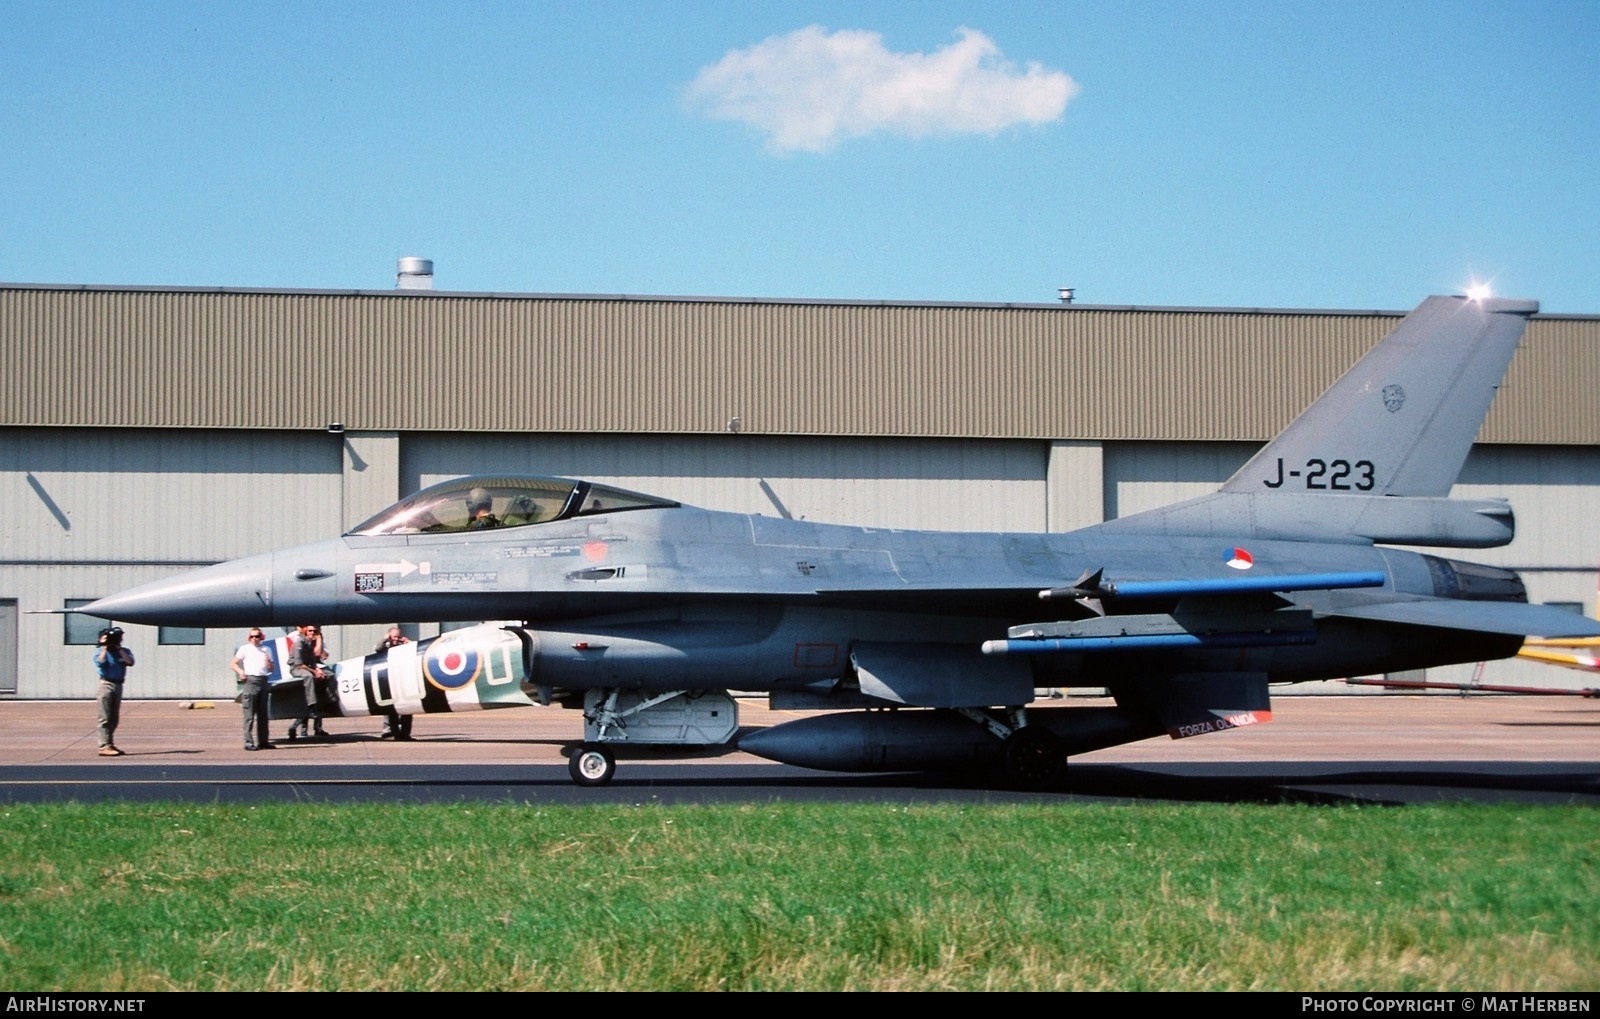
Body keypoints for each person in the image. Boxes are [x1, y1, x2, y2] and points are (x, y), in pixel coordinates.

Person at [230, 627, 276, 751]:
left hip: (264, 680)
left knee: (263, 714)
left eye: (257, 636)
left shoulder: (267, 649)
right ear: (249, 638)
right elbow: (233, 663)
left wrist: (268, 662)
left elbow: (271, 669)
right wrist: (241, 672)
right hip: (251, 680)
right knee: (249, 714)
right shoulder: (244, 649)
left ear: (261, 637)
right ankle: (248, 741)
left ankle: (263, 741)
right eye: (252, 636)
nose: (255, 639)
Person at [93, 626, 135, 756]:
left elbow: (130, 662)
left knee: (114, 718)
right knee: (104, 717)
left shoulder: (124, 651)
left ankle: (109, 743)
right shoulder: (100, 651)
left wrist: (119, 649)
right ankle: (103, 746)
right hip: (106, 684)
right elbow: (100, 662)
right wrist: (105, 646)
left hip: (118, 684)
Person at [286, 624, 332, 740]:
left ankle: (329, 699)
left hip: (308, 668)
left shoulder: (311, 644)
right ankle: (311, 706)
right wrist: (314, 672)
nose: (312, 633)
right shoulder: (299, 643)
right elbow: (299, 664)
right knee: (309, 677)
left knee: (328, 675)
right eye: (310, 631)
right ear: (305, 632)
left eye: (314, 631)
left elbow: (315, 659)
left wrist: (318, 671)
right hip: (298, 668)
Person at [374, 625, 415, 740]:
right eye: (394, 637)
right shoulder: (385, 647)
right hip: (389, 682)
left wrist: (409, 643)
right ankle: (391, 732)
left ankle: (405, 734)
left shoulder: (403, 647)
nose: (396, 639)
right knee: (391, 709)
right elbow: (377, 648)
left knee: (408, 709)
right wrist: (385, 639)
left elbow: (418, 651)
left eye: (398, 637)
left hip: (403, 682)